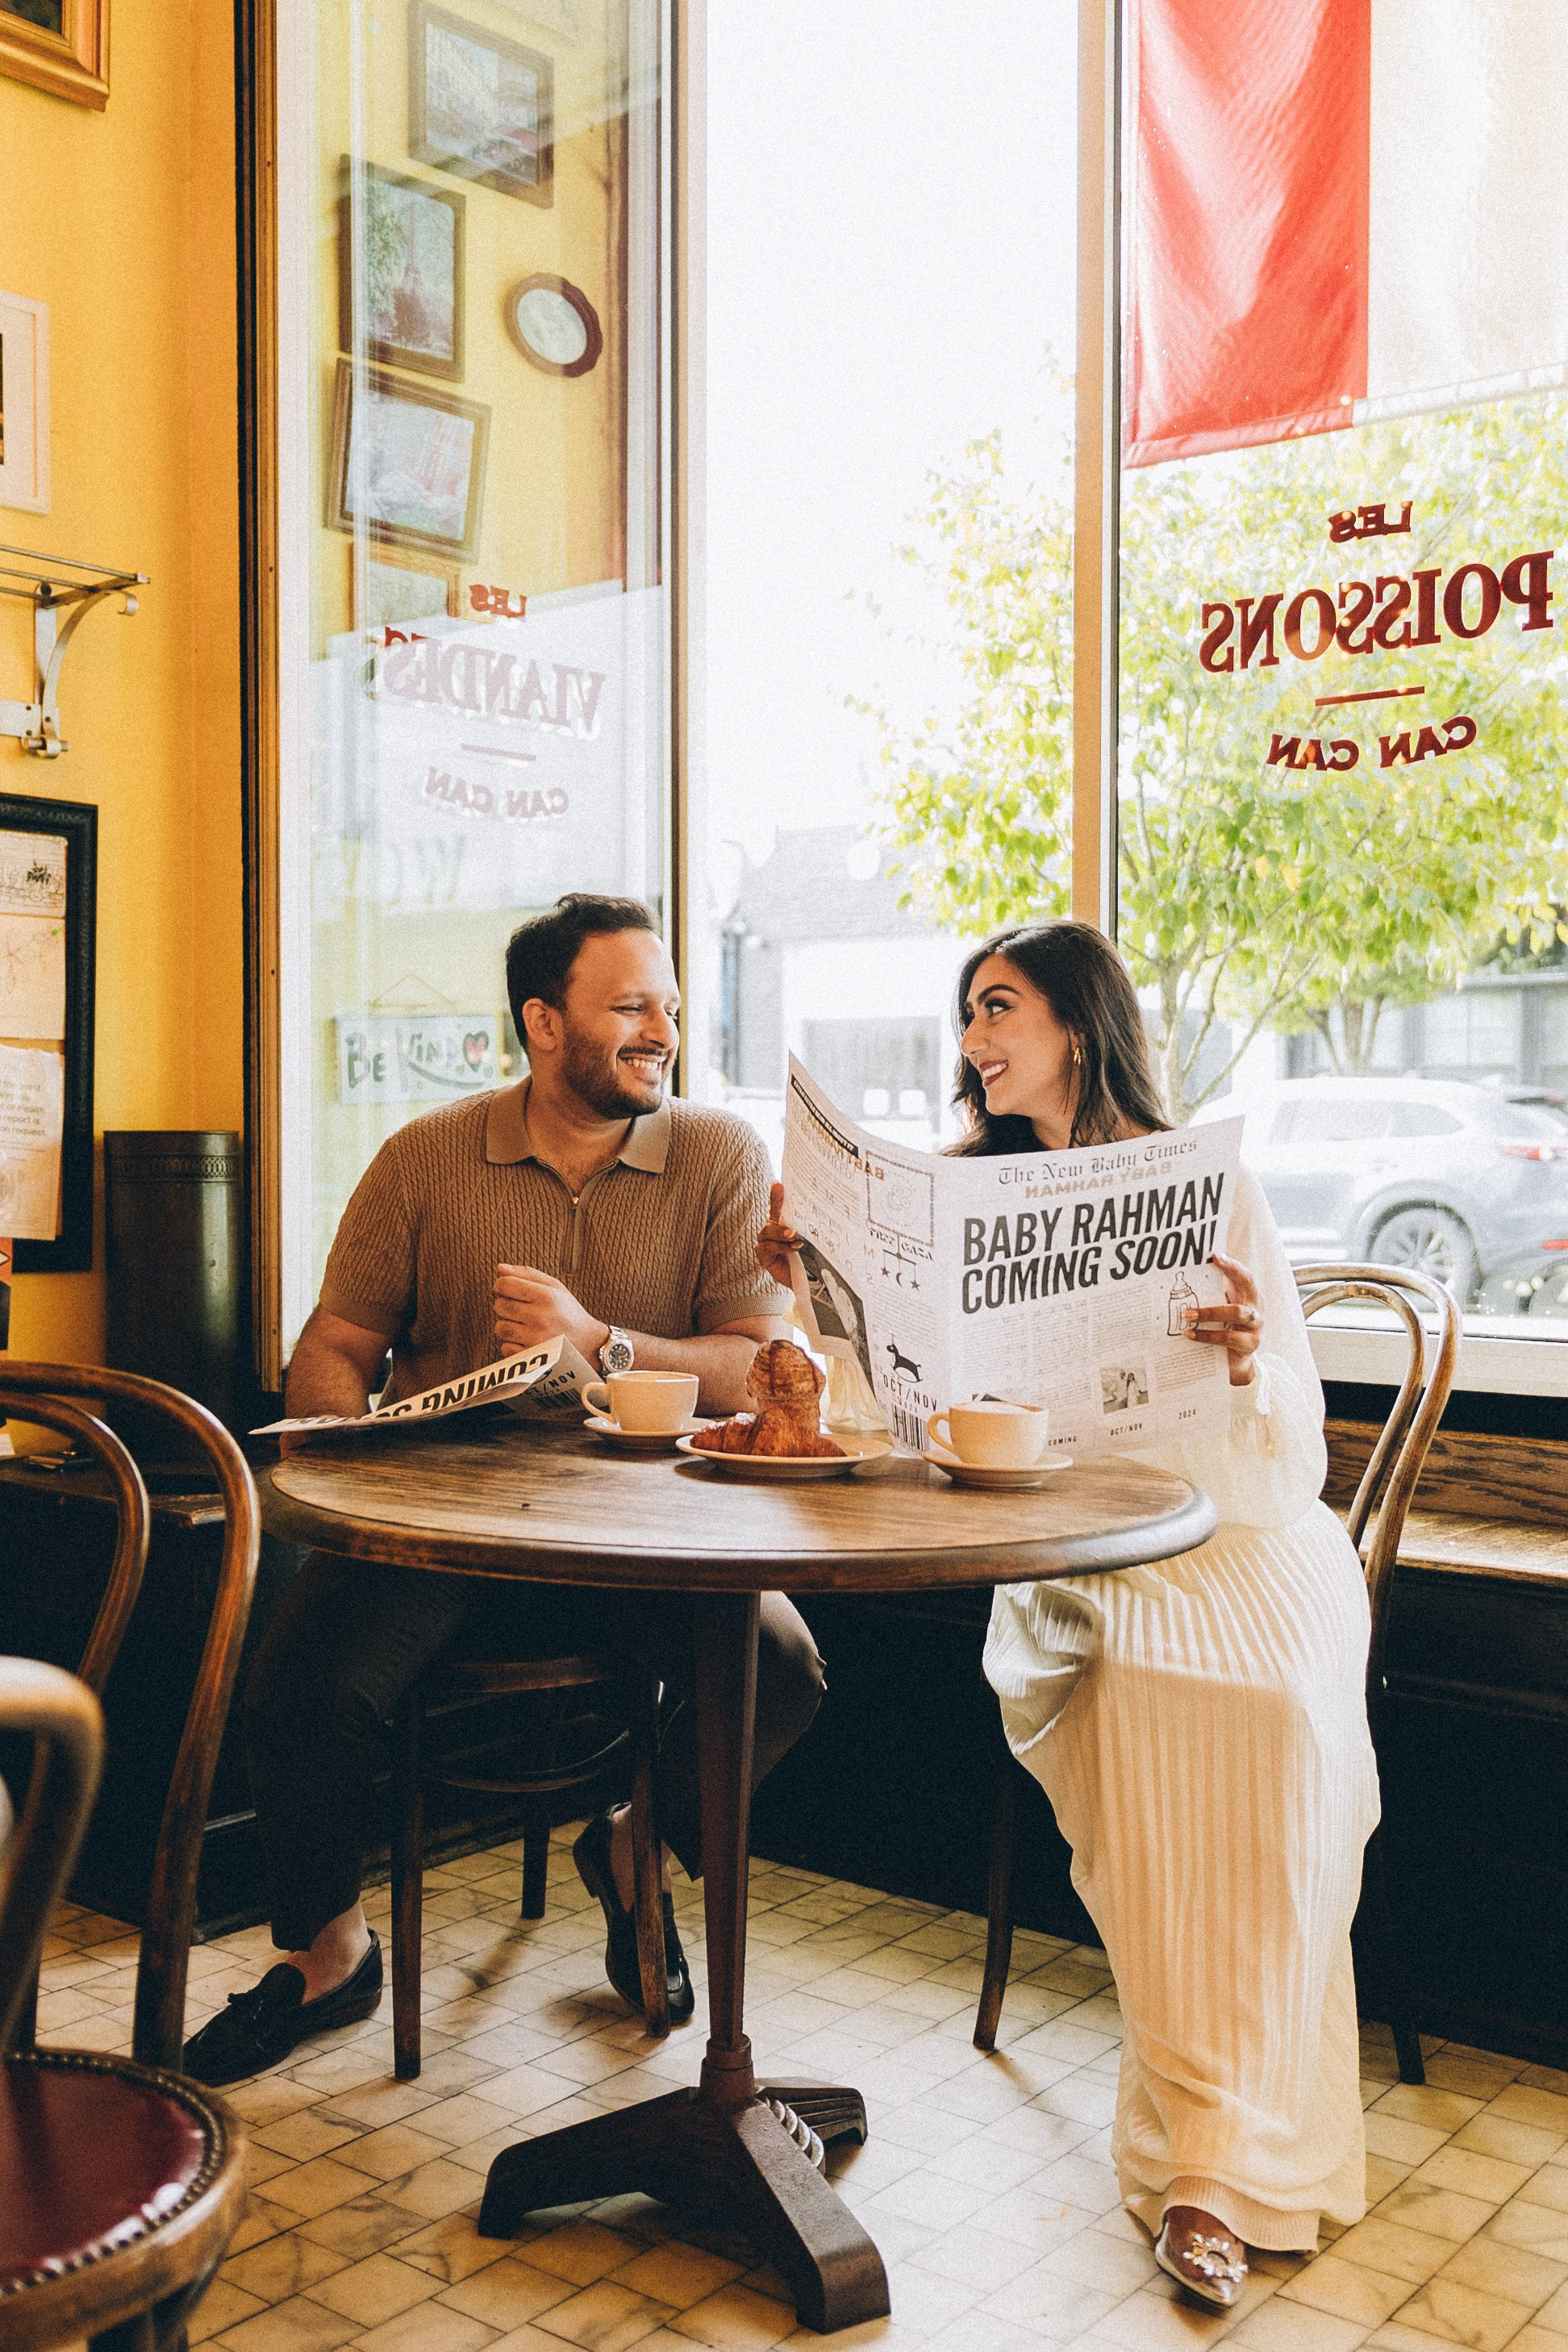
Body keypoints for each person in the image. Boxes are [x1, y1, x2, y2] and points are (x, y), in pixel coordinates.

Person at [758, 920, 1379, 2312]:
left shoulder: (1209, 1192)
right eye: (968, 1014)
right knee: (1166, 1707)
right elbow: (890, 1429)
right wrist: (821, 1292)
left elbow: (1298, 1445)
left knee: (1281, 1720)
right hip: (1081, 1556)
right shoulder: (956, 1197)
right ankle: (1212, 2168)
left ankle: (1221, 2158)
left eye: (998, 1009)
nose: (972, 1040)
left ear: (1079, 1029)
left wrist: (1240, 1366)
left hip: (1247, 1542)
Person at [184, 895, 824, 2087]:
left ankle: (636, 1856)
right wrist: (337, 1430)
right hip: (446, 1526)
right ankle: (329, 1956)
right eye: (630, 1007)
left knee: (783, 1669)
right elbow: (336, 1341)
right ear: (543, 1021)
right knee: (298, 1688)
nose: (661, 1033)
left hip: (651, 1523)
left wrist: (600, 1341)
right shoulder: (425, 1159)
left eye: (670, 1009)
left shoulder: (722, 1156)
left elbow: (752, 1360)